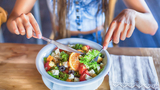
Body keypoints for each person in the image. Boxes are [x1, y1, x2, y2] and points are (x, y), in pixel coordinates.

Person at [7, 0, 158, 49]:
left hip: (102, 45)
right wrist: (17, 22)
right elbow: (12, 19)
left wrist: (134, 15)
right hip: (60, 42)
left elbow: (152, 27)